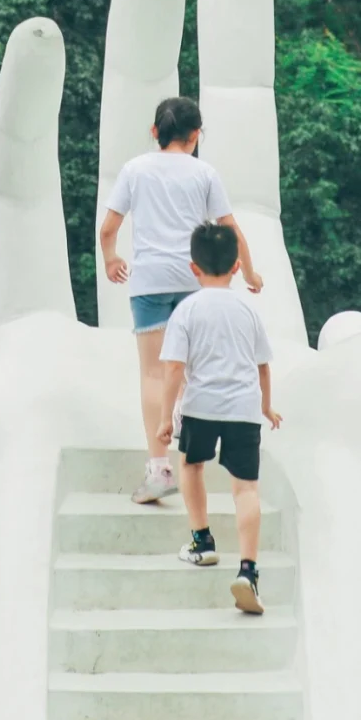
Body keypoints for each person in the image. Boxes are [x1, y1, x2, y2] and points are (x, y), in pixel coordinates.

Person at [100, 96, 262, 504]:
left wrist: (111, 258)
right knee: (191, 372)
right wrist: (251, 269)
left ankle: (159, 469)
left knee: (154, 374)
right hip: (195, 282)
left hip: (150, 281)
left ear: (155, 132)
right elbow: (230, 227)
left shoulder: (135, 170)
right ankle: (193, 461)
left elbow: (108, 229)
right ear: (195, 136)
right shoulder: (204, 173)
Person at [156, 222, 281, 616]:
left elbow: (174, 368)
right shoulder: (247, 309)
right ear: (236, 266)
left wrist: (164, 419)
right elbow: (263, 365)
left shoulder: (186, 310)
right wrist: (265, 406)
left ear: (194, 268)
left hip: (200, 406)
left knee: (191, 465)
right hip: (243, 408)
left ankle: (202, 542)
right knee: (246, 489)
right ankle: (248, 570)